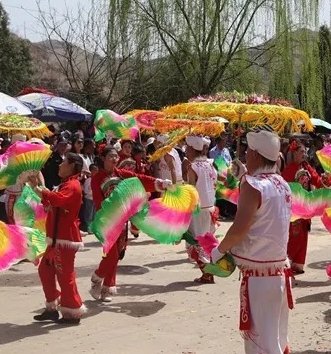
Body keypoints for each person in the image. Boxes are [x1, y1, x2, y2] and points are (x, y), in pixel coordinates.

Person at [210, 128, 300, 354]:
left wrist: (219, 250)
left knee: (261, 340)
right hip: (279, 272)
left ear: (256, 154)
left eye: (247, 152)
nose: (245, 156)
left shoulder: (253, 185)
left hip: (259, 276)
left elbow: (240, 228)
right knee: (277, 336)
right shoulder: (282, 184)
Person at [90, 146, 168, 300]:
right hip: (106, 220)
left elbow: (139, 179)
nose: (114, 159)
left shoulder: (121, 174)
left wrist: (159, 183)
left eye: (115, 156)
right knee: (111, 255)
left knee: (117, 254)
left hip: (122, 220)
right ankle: (96, 278)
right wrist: (106, 215)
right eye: (111, 156)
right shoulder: (97, 178)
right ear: (103, 158)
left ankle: (107, 288)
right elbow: (98, 201)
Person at [33, 153, 88, 324]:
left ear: (72, 166)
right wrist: (37, 186)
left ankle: (72, 312)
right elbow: (51, 203)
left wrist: (40, 190)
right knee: (45, 270)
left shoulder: (72, 185)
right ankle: (52, 307)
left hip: (64, 238)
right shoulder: (65, 184)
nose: (59, 165)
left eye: (63, 162)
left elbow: (57, 200)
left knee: (65, 276)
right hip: (56, 238)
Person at [281, 140, 330, 275]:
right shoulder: (289, 169)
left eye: (305, 151)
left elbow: (317, 180)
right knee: (294, 236)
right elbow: (285, 188)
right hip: (294, 209)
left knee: (303, 235)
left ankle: (297, 264)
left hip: (306, 207)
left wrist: (325, 181)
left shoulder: (306, 167)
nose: (304, 154)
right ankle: (286, 264)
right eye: (301, 151)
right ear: (294, 153)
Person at [185, 135, 219, 284]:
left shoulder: (193, 167)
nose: (186, 151)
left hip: (198, 210)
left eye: (188, 148)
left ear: (192, 149)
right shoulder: (209, 164)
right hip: (210, 207)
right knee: (206, 241)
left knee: (196, 242)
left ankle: (207, 273)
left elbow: (191, 190)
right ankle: (210, 271)